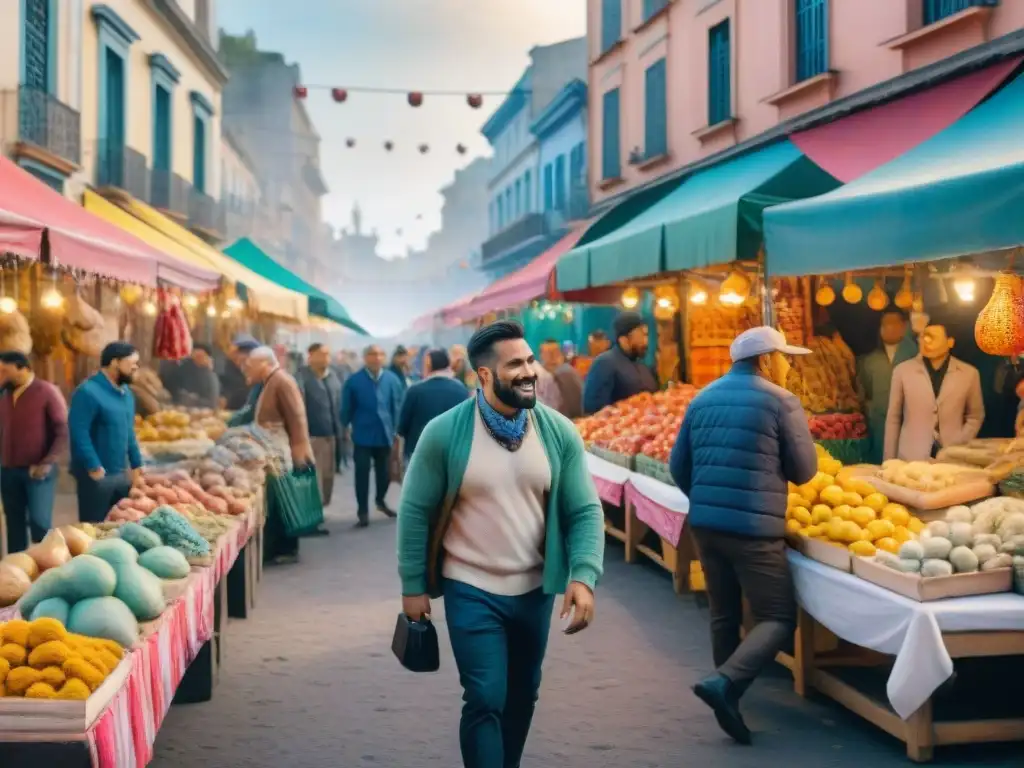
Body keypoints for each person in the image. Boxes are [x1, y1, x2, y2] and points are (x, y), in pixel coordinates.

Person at [397, 320, 605, 768]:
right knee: (485, 697)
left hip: (534, 589)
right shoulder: (443, 433)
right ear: (485, 375)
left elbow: (584, 510)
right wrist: (413, 585)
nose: (530, 371)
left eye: (530, 360)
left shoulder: (558, 432)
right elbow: (414, 512)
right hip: (469, 586)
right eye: (516, 364)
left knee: (522, 695)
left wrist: (583, 575)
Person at [670, 326, 816, 745]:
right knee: (777, 616)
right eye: (785, 357)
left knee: (724, 613)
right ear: (767, 359)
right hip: (754, 529)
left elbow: (680, 466)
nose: (788, 365)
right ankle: (726, 682)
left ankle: (728, 694)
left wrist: (708, 500)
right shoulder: (781, 401)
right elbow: (805, 471)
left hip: (706, 525)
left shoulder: (702, 398)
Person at [245, 346, 314, 564]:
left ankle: (285, 549)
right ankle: (278, 549)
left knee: (284, 500)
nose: (248, 369)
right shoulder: (271, 381)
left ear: (264, 363)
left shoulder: (283, 381)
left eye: (251, 365)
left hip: (282, 450)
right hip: (272, 450)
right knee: (277, 500)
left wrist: (300, 452)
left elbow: (298, 418)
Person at [69, 342, 144, 523]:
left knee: (119, 527)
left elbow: (129, 432)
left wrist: (137, 464)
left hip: (121, 474)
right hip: (96, 477)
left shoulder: (127, 394)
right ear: (114, 363)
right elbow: (79, 431)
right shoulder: (87, 392)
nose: (136, 367)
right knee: (94, 529)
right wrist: (93, 465)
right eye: (131, 362)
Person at [885, 324, 985, 461]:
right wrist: (889, 460)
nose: (926, 341)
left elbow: (975, 415)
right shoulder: (902, 371)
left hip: (953, 455)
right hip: (911, 455)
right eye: (923, 336)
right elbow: (893, 418)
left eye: (932, 337)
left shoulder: (969, 373)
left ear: (950, 342)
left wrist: (961, 441)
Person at [0, 351, 67, 553]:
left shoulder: (47, 391)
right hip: (8, 471)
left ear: (24, 369)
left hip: (38, 471)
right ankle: (17, 570)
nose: (1, 375)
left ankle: (45, 567)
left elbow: (62, 431)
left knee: (40, 523)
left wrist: (47, 462)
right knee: (14, 524)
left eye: (5, 371)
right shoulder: (4, 394)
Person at [340, 344, 403, 527]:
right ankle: (363, 511)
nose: (376, 358)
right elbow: (346, 408)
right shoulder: (354, 381)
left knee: (384, 473)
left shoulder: (391, 380)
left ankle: (380, 500)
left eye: (380, 354)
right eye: (372, 354)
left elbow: (397, 405)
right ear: (365, 357)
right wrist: (346, 426)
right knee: (362, 473)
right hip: (362, 435)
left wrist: (397, 430)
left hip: (385, 434)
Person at [856, 309, 918, 464]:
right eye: (885, 324)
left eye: (893, 323)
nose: (888, 328)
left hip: (911, 421)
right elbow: (865, 389)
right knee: (882, 464)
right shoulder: (870, 360)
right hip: (879, 423)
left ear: (904, 326)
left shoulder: (917, 355)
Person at [395, 348, 468, 467]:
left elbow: (402, 427)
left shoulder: (415, 391)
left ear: (428, 364)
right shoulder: (462, 391)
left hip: (419, 454)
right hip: (451, 455)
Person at [582, 312, 658, 414]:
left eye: (646, 336)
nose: (646, 341)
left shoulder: (642, 366)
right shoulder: (604, 363)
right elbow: (593, 409)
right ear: (624, 339)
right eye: (642, 335)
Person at [296, 342, 343, 506]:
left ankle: (322, 506)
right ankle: (313, 511)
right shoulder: (301, 377)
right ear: (311, 356)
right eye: (322, 354)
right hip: (312, 434)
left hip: (332, 433)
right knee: (313, 477)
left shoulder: (333, 376)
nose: (326, 358)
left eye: (328, 354)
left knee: (328, 476)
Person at [539, 338, 584, 419]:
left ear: (560, 353)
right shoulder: (537, 377)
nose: (551, 356)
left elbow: (580, 401)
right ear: (541, 355)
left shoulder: (569, 373)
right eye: (547, 352)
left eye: (555, 352)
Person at [174, 342, 221, 410]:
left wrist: (193, 399)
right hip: (183, 409)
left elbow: (212, 402)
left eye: (201, 356)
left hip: (203, 411)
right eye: (196, 356)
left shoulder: (210, 375)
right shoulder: (182, 370)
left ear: (208, 359)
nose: (198, 359)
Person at [220, 334, 260, 410]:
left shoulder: (259, 378)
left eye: (244, 361)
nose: (240, 364)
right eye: (237, 360)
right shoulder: (229, 370)